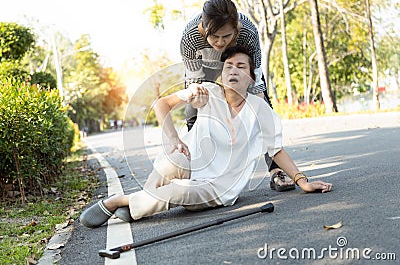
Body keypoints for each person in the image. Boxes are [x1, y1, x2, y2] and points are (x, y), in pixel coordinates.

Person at [80, 46, 333, 228]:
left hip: (218, 186)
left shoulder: (260, 109)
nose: (233, 70)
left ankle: (119, 202)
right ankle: (138, 206)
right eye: (228, 66)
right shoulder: (207, 92)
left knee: (181, 191)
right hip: (192, 165)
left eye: (241, 66)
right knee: (172, 161)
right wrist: (174, 139)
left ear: (252, 78)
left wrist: (302, 182)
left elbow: (276, 150)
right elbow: (161, 104)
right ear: (221, 75)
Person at [181, 0, 293, 191]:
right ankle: (198, 171)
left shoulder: (248, 31)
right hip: (206, 68)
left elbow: (255, 76)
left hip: (237, 65)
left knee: (264, 111)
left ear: (237, 28)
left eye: (226, 36)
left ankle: (276, 171)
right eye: (214, 36)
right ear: (203, 28)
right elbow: (193, 79)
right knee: (193, 114)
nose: (220, 42)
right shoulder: (190, 36)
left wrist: (259, 108)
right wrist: (196, 94)